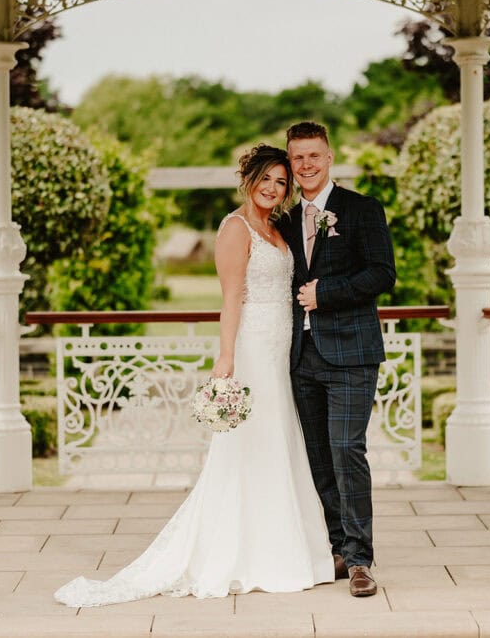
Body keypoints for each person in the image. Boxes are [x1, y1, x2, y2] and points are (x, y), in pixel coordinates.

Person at [54, 144, 333, 608]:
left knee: (281, 442)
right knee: (251, 445)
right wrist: (226, 357)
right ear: (248, 179)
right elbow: (230, 298)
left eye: (281, 182)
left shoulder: (277, 227)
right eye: (266, 178)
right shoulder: (235, 227)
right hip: (251, 347)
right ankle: (247, 555)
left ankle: (289, 550)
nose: (273, 188)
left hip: (284, 348)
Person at [279, 122, 396, 598]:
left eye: (314, 156)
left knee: (348, 450)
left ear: (329, 158)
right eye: (297, 158)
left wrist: (326, 293)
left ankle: (362, 559)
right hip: (300, 355)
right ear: (290, 162)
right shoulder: (283, 220)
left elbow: (382, 274)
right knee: (318, 458)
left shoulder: (361, 209)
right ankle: (337, 548)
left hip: (351, 352)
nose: (305, 165)